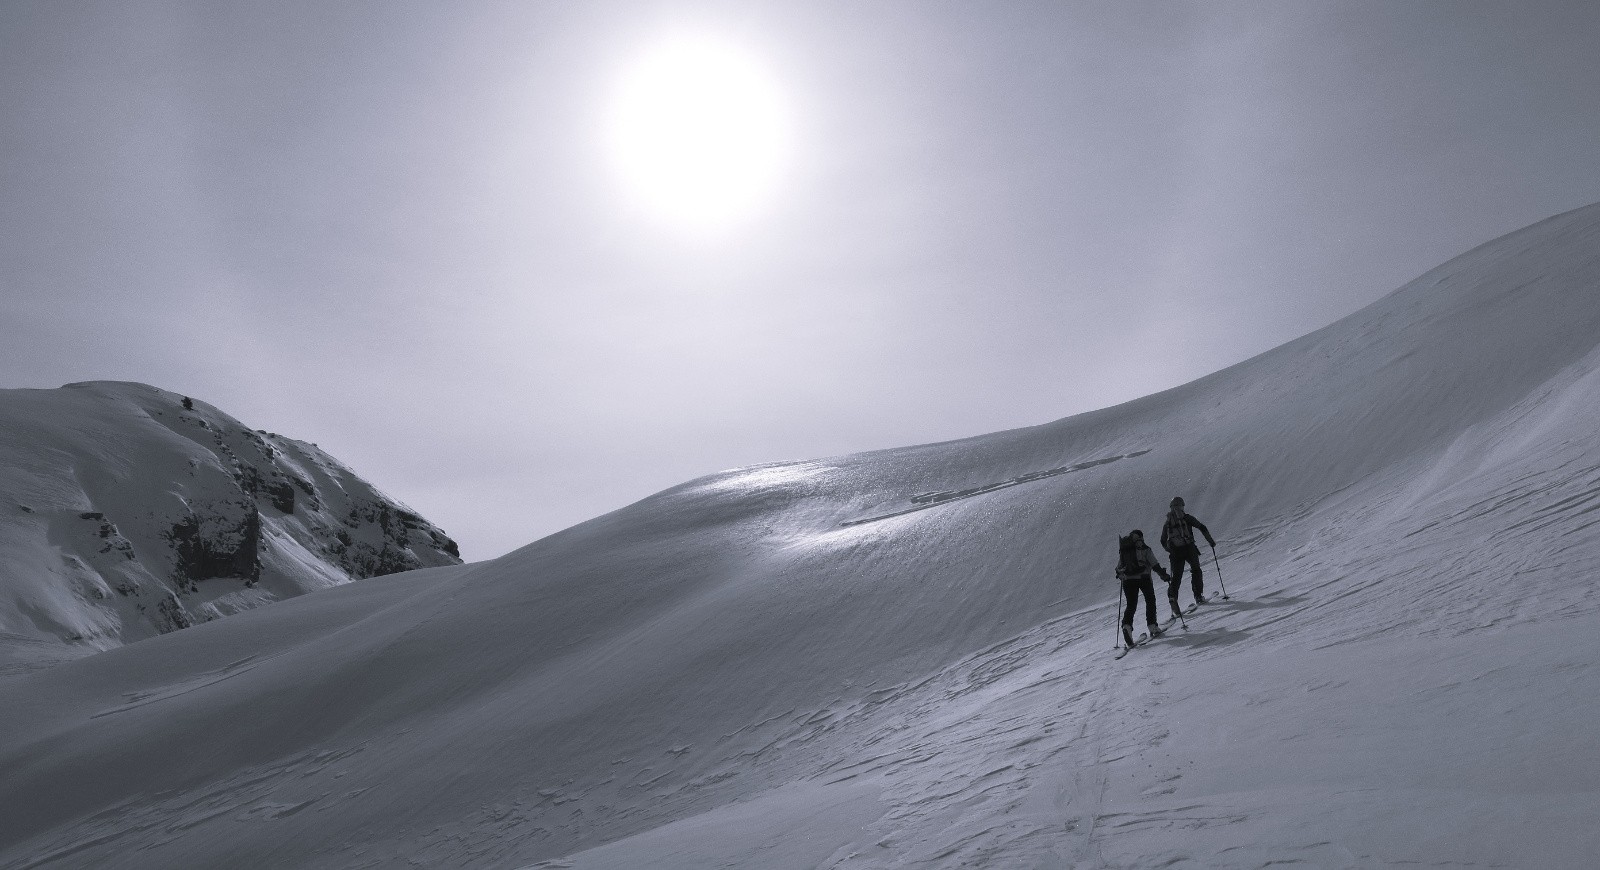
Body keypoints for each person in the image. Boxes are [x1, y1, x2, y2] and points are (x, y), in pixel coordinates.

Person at [1116, 529, 1172, 647]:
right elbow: (1154, 564)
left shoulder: (1125, 550)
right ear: (1141, 537)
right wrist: (1164, 575)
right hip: (1144, 578)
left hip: (1127, 580)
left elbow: (1119, 567)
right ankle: (1152, 626)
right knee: (1150, 601)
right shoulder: (1145, 548)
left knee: (1131, 604)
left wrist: (1121, 574)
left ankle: (1127, 627)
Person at [1160, 496, 1216, 609]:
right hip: (1190, 548)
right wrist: (1211, 541)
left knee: (1176, 577)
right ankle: (1198, 596)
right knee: (1196, 570)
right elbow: (1202, 527)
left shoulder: (1168, 522)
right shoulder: (1187, 518)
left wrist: (1170, 549)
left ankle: (1172, 598)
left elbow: (1162, 540)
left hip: (1176, 552)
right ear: (1182, 506)